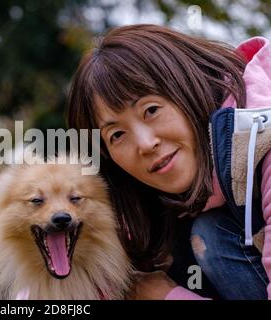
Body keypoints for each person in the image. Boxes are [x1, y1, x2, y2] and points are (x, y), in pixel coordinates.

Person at [67, 24, 271, 299]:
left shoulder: (263, 140)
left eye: (151, 110)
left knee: (208, 234)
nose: (144, 144)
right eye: (116, 134)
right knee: (206, 234)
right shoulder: (146, 192)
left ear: (187, 86)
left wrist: (168, 296)